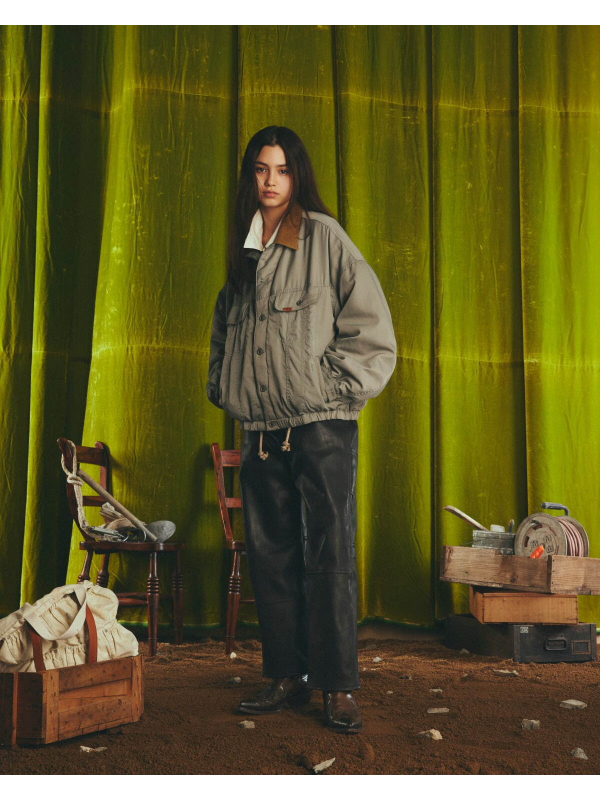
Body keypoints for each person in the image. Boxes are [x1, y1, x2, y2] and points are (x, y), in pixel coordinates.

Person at [206, 125, 396, 733]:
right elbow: (225, 329)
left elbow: (371, 329)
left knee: (329, 556)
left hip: (321, 427)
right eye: (261, 169)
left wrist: (332, 390)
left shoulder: (324, 237)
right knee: (271, 558)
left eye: (282, 170)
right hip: (261, 430)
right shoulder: (245, 248)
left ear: (297, 176)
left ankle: (336, 686)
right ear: (250, 176)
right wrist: (226, 388)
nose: (271, 181)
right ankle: (285, 676)